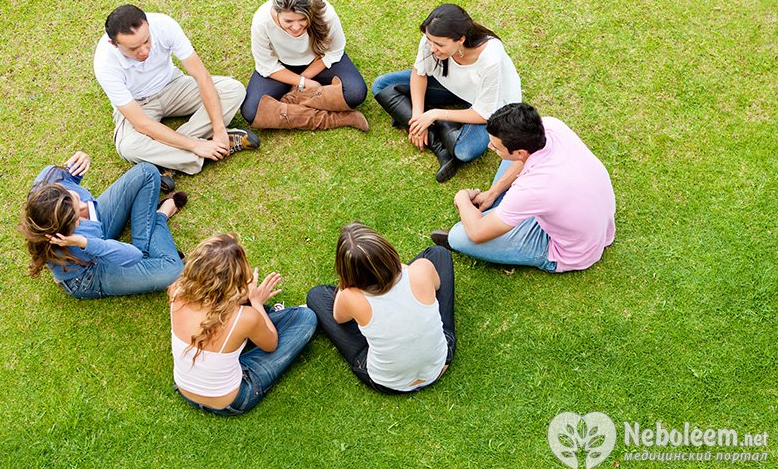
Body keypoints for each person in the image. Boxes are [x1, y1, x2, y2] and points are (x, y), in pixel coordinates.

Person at [430, 103, 616, 272]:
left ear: (520, 152)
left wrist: (462, 198)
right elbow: (524, 162)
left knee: (458, 236)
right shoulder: (551, 126)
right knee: (509, 174)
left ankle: (501, 217)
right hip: (588, 216)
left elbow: (477, 233)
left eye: (496, 147)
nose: (489, 147)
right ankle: (501, 212)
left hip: (571, 249)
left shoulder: (532, 188)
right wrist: (493, 192)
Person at [94, 4, 259, 191]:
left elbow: (201, 76)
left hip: (173, 85)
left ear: (148, 24)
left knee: (233, 90)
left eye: (147, 41)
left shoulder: (164, 25)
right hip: (138, 103)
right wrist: (195, 145)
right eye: (133, 49)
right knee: (128, 146)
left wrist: (219, 128)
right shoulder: (104, 63)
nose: (144, 51)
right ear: (114, 44)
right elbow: (141, 124)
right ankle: (212, 147)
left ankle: (168, 160)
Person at [170, 234, 317, 415]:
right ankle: (265, 319)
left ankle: (260, 324)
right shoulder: (244, 317)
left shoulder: (176, 290)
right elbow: (271, 345)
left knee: (248, 323)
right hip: (231, 400)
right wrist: (256, 302)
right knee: (306, 318)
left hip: (185, 389)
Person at [372, 4, 521, 182]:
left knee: (465, 151)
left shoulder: (490, 57)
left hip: (488, 105)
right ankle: (438, 144)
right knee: (381, 86)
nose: (432, 48)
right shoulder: (433, 39)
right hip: (451, 86)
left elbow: (484, 114)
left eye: (439, 45)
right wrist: (418, 116)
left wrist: (434, 114)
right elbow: (419, 74)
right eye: (429, 40)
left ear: (461, 39)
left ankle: (432, 120)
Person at [307, 223, 455, 394]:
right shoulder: (420, 269)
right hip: (439, 363)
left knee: (316, 295)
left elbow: (339, 318)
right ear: (389, 252)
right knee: (438, 254)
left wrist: (348, 285)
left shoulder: (350, 297)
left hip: (388, 382)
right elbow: (436, 285)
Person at [18, 152, 186, 299]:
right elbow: (133, 255)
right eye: (77, 215)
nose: (84, 205)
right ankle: (161, 215)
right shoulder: (72, 241)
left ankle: (146, 251)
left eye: (76, 197)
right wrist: (85, 242)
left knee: (147, 172)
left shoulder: (50, 179)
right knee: (173, 270)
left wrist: (82, 160)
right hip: (89, 272)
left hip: (97, 226)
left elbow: (70, 177)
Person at [242, 0, 369, 132]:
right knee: (252, 111)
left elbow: (334, 51)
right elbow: (267, 65)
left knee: (355, 93)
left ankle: (287, 104)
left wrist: (303, 80)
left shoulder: (326, 13)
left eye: (302, 19)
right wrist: (304, 82)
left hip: (319, 61)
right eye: (288, 21)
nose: (296, 27)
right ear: (276, 12)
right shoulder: (261, 21)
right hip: (280, 68)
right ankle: (340, 119)